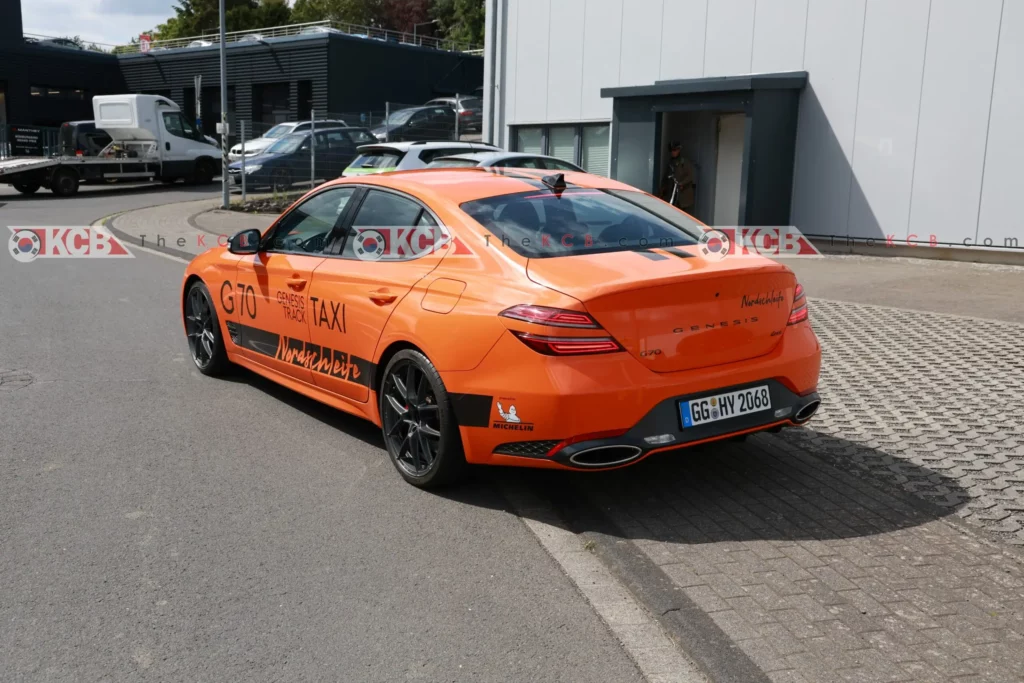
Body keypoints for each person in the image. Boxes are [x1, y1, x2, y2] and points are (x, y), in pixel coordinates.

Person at [661, 142, 696, 214]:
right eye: (671, 150)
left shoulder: (684, 162)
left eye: (674, 150)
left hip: (683, 195)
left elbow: (690, 176)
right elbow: (666, 177)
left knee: (683, 214)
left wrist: (682, 183)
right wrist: (662, 189)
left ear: (678, 150)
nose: (673, 152)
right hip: (672, 193)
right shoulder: (671, 162)